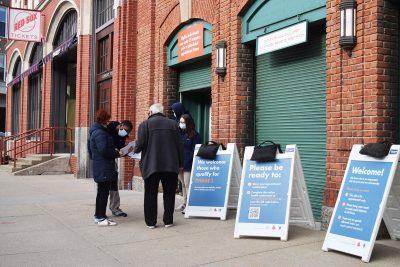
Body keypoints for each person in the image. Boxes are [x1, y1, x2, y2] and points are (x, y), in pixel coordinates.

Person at [134, 103, 183, 228]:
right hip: (171, 165)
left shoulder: (144, 125)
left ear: (150, 112)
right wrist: (180, 163)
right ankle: (168, 221)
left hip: (151, 165)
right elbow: (179, 146)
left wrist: (133, 149)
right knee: (169, 193)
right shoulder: (173, 124)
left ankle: (151, 222)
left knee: (150, 194)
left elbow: (139, 146)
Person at [88, 109, 121, 226]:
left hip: (101, 166)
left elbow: (93, 151)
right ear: (104, 120)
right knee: (103, 193)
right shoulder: (100, 133)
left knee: (102, 193)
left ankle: (100, 215)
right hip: (104, 167)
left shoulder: (96, 131)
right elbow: (104, 150)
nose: (109, 122)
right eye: (108, 119)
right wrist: (116, 153)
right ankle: (100, 217)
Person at [107, 120, 133, 217]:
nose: (124, 133)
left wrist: (127, 152)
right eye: (124, 130)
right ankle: (100, 211)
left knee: (113, 184)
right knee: (104, 186)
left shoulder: (123, 135)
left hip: (112, 160)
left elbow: (120, 148)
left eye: (127, 132)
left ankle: (115, 207)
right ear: (120, 125)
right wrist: (116, 151)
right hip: (104, 161)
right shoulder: (108, 130)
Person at [175, 114, 201, 213]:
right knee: (183, 184)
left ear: (188, 123)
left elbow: (194, 150)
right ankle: (184, 203)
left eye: (183, 122)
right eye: (180, 122)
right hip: (178, 163)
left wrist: (186, 161)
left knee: (187, 184)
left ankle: (190, 205)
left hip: (187, 164)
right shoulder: (178, 134)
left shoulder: (195, 135)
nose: (181, 124)